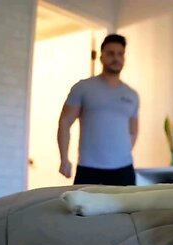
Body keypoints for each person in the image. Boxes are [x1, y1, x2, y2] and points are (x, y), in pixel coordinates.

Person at [57, 34, 139, 186]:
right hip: (89, 169)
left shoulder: (132, 95)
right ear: (101, 56)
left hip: (124, 170)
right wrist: (64, 159)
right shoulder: (83, 88)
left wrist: (119, 154)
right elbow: (65, 122)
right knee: (83, 210)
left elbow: (133, 131)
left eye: (120, 54)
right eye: (110, 53)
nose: (116, 58)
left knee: (127, 210)